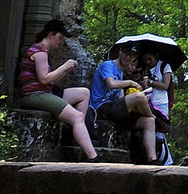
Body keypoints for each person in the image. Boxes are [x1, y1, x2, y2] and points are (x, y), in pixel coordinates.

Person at [13, 18, 98, 160]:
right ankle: (93, 157)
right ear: (51, 34)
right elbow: (44, 79)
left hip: (45, 91)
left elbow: (49, 81)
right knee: (77, 116)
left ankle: (74, 133)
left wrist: (66, 70)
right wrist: (64, 66)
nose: (60, 41)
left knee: (84, 93)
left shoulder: (43, 51)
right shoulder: (39, 51)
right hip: (34, 95)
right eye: (60, 37)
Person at [91, 43, 159, 164]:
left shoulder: (121, 73)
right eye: (127, 54)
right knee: (139, 98)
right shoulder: (108, 65)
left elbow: (120, 98)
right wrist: (131, 83)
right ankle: (153, 116)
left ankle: (152, 160)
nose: (128, 58)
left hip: (114, 109)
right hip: (101, 107)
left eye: (132, 57)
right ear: (120, 52)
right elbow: (111, 84)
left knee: (148, 121)